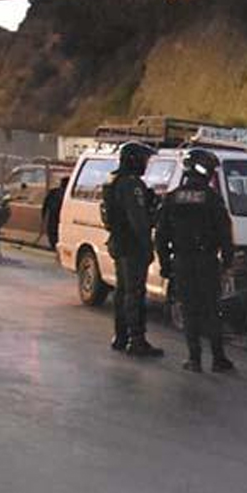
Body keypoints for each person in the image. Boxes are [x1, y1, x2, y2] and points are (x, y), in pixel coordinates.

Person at [155, 149, 235, 373]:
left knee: (189, 310)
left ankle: (194, 359)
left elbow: (161, 236)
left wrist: (165, 265)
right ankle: (218, 359)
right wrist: (227, 263)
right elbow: (225, 233)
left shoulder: (172, 198)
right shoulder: (211, 198)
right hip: (207, 261)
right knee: (212, 309)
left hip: (182, 261)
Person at [102, 141, 164, 357]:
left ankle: (121, 336)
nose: (146, 165)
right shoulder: (131, 184)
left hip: (118, 241)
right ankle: (136, 339)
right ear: (134, 160)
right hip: (132, 244)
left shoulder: (113, 180)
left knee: (122, 291)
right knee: (134, 293)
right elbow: (137, 219)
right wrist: (147, 243)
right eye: (144, 160)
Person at [41, 176, 68, 250]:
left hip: (55, 215)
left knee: (53, 231)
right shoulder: (64, 193)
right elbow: (45, 204)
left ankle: (54, 245)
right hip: (57, 215)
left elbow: (45, 204)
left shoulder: (54, 192)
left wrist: (43, 215)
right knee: (54, 231)